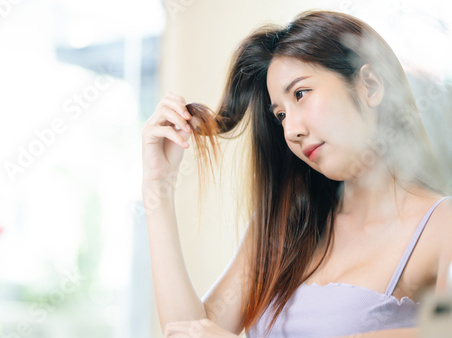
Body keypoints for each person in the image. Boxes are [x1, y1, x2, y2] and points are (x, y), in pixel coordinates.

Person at [141, 10, 452, 338]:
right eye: (280, 115)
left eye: (301, 93)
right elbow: (189, 332)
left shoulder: (440, 226)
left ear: (370, 86)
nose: (290, 130)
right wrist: (157, 186)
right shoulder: (288, 222)